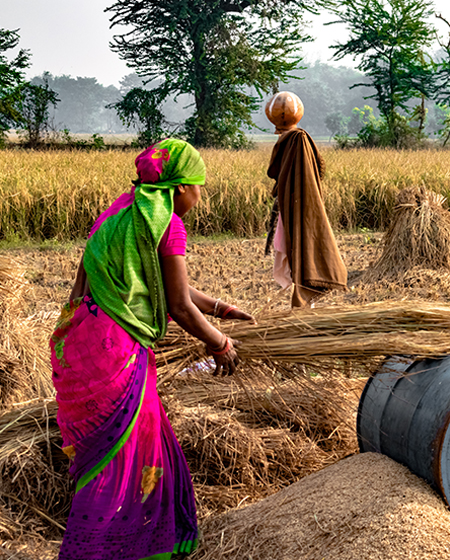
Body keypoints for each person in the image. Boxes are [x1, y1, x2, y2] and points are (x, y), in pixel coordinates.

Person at [49, 138, 252, 560]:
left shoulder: (124, 211)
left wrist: (219, 307)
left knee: (108, 454)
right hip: (117, 349)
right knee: (128, 457)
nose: (201, 194)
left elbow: (164, 283)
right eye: (199, 185)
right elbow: (176, 304)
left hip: (82, 341)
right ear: (179, 188)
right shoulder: (168, 224)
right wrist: (220, 343)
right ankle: (112, 550)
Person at [264, 94, 347, 308]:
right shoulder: (296, 140)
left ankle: (304, 300)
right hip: (294, 204)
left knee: (302, 245)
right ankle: (303, 303)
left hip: (298, 204)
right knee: (297, 247)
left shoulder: (296, 141)